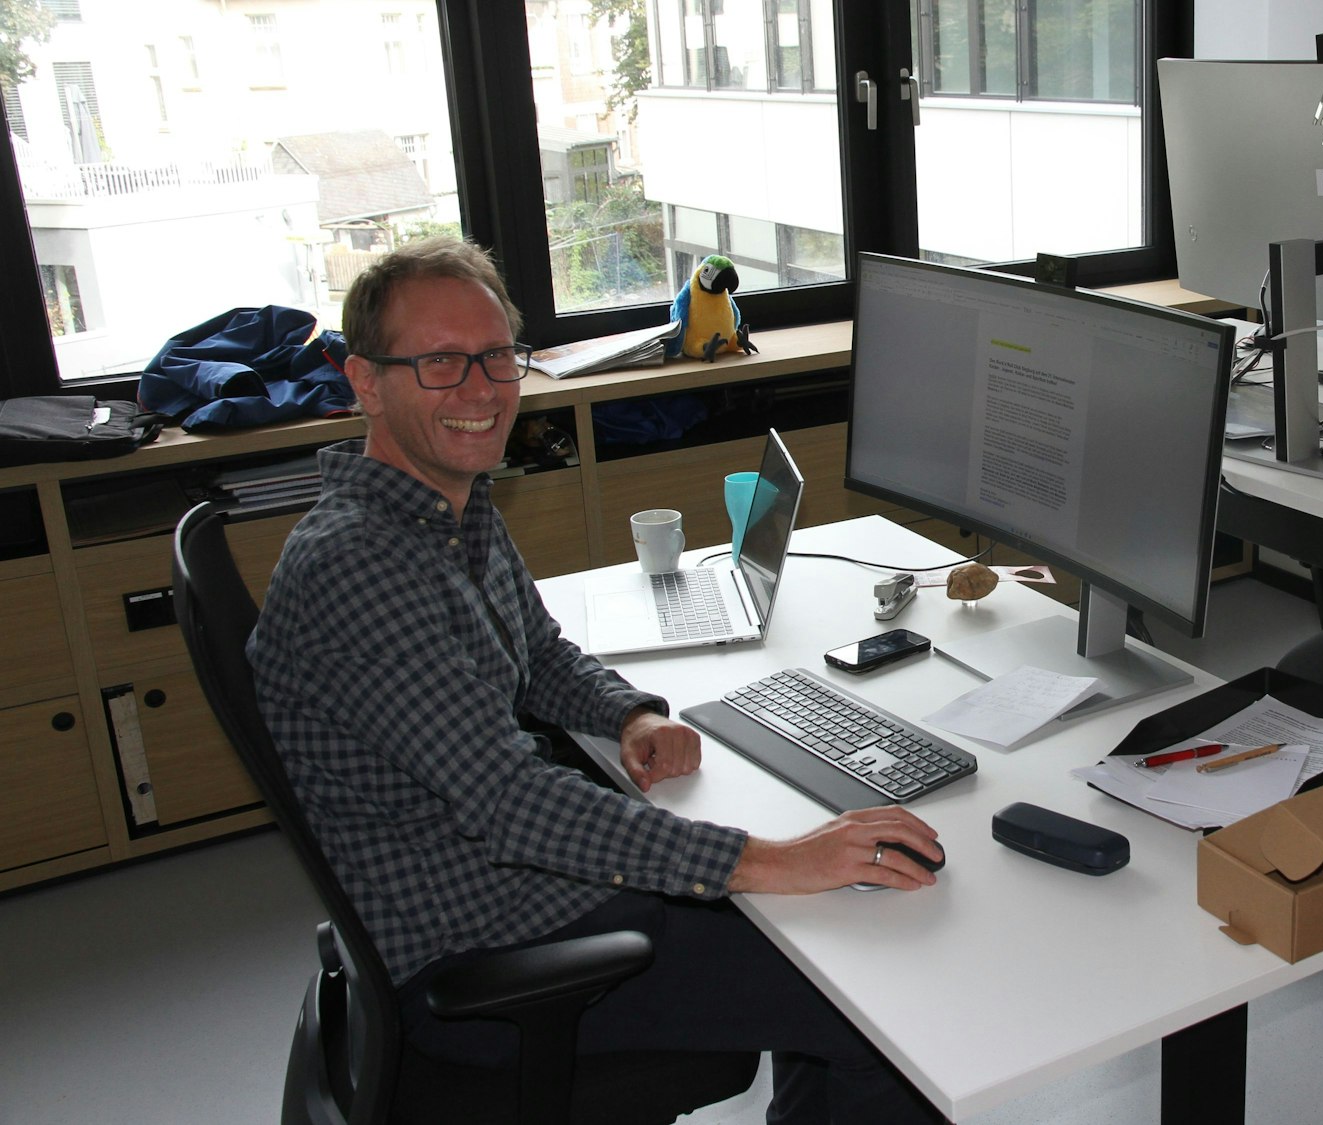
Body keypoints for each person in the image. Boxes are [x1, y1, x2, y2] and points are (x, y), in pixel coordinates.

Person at [247, 237, 948, 1123]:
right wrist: (771, 860)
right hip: (486, 955)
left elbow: (535, 649)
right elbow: (511, 803)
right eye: (439, 362)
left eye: (497, 353)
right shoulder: (360, 566)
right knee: (879, 1004)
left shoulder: (442, 505)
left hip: (498, 898)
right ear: (365, 381)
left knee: (832, 936)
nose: (480, 387)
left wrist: (626, 718)